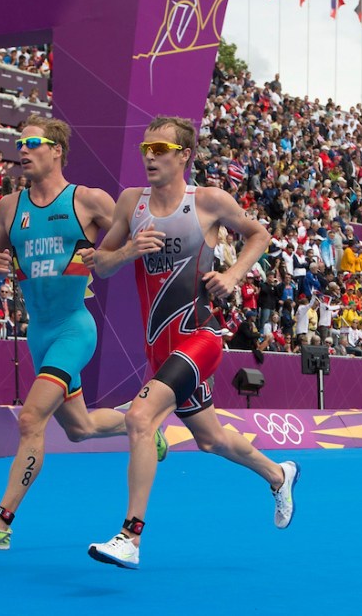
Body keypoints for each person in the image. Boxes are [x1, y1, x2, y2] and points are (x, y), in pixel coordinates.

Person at [83, 116, 299, 570]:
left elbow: (259, 234)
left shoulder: (208, 201)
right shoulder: (130, 203)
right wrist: (127, 252)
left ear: (184, 155)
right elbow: (100, 265)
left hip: (201, 338)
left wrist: (233, 275)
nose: (151, 155)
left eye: (161, 148)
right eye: (146, 147)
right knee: (210, 439)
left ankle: (130, 536)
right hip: (159, 349)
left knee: (141, 418)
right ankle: (279, 475)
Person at [0, 114, 165, 551]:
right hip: (40, 333)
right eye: (20, 142)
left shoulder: (86, 200)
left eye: (32, 142)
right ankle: (138, 424)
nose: (22, 150)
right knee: (80, 428)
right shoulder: (10, 206)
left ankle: (1, 523)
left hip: (74, 328)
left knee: (31, 419)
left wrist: (122, 252)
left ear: (56, 151)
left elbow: (139, 233)